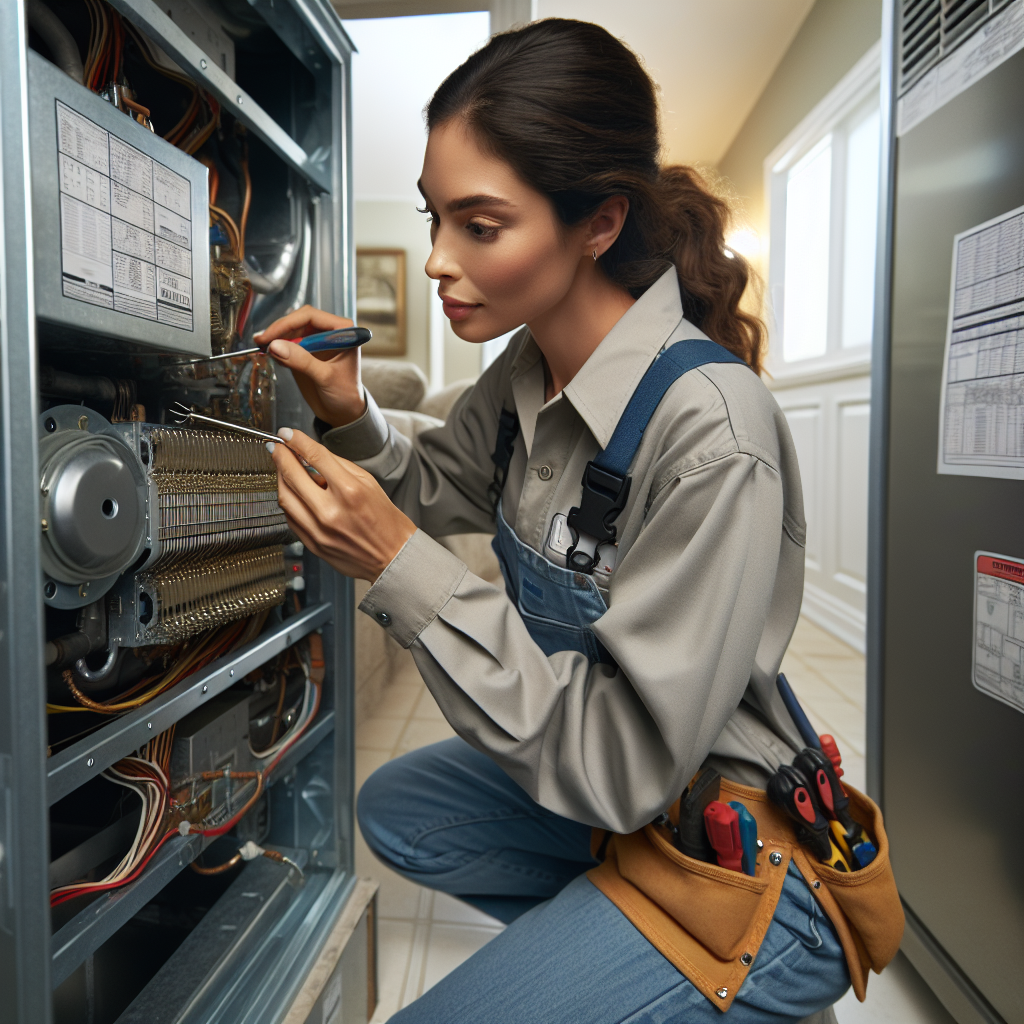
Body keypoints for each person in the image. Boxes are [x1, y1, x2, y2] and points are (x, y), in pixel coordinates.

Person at [258, 19, 850, 1023]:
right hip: (636, 818)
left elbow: (619, 762)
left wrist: (398, 565)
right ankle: (627, 956)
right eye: (433, 217)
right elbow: (424, 491)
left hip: (741, 857)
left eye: (479, 226)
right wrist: (346, 410)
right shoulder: (525, 375)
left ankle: (716, 968)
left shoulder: (714, 433)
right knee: (403, 811)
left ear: (599, 223)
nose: (438, 259)